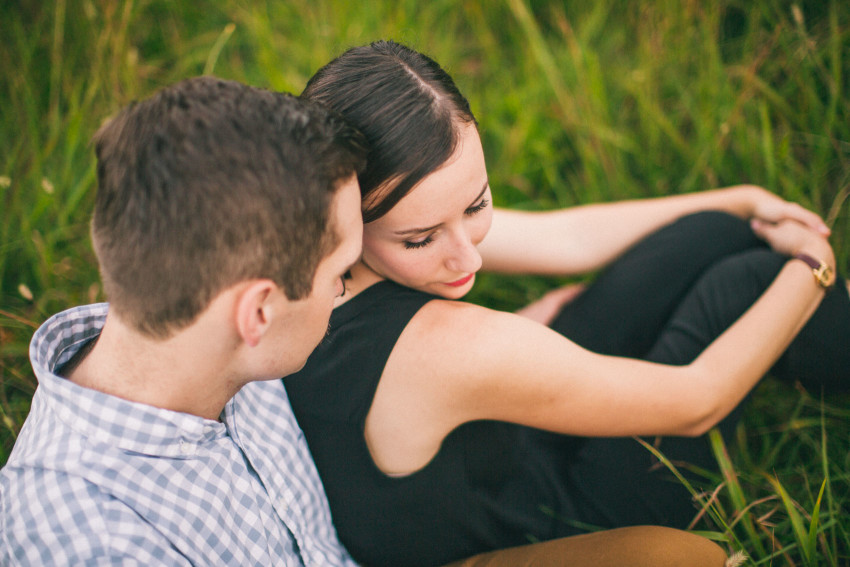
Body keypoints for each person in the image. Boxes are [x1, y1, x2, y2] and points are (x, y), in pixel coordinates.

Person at [0, 75, 728, 567]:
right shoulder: (88, 537)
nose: (353, 289)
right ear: (257, 311)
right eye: (341, 272)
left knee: (688, 556)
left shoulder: (186, 331)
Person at [283, 40, 850, 567]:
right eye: (423, 239)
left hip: (494, 444)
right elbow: (698, 400)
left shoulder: (318, 250)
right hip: (561, 521)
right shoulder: (450, 347)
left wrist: (739, 202)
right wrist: (812, 269)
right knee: (751, 282)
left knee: (714, 233)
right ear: (349, 214)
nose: (468, 258)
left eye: (477, 204)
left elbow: (565, 239)